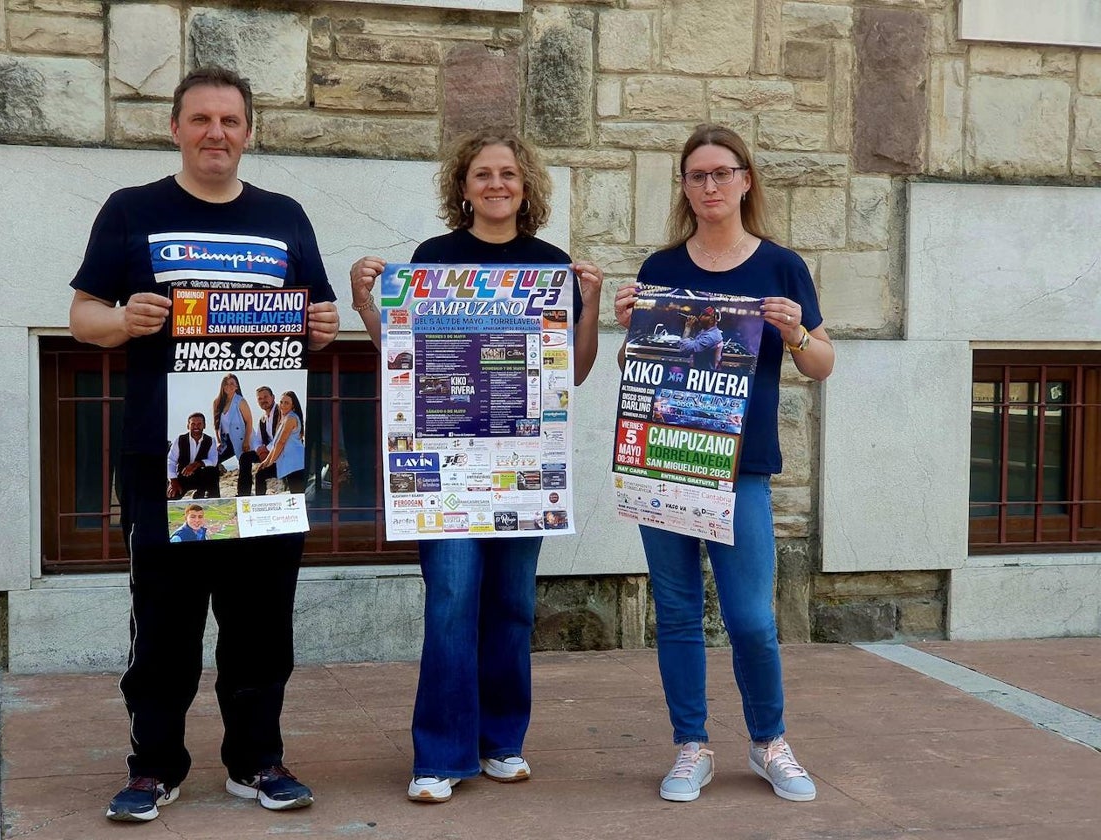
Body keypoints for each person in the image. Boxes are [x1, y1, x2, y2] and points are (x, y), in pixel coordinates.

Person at [67, 66, 339, 823]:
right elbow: (83, 314)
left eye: (229, 120)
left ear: (249, 131)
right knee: (163, 626)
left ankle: (258, 763)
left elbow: (318, 321)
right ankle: (154, 767)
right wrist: (124, 321)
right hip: (169, 468)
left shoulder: (285, 215)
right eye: (201, 120)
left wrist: (324, 328)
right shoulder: (132, 211)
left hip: (261, 471)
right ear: (176, 129)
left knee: (260, 625)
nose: (215, 133)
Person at [349, 128, 603, 803]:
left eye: (509, 174)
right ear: (462, 187)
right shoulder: (434, 259)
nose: (496, 184)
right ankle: (439, 754)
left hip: (524, 470)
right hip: (447, 471)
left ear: (527, 188)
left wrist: (593, 301)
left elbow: (574, 372)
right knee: (454, 601)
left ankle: (501, 742)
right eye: (483, 174)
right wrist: (365, 305)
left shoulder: (551, 264)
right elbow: (401, 358)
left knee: (513, 606)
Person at [614, 124, 835, 804]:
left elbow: (821, 363)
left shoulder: (780, 267)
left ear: (745, 180)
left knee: (750, 619)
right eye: (696, 175)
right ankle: (692, 745)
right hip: (666, 460)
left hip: (741, 470)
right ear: (684, 187)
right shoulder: (660, 269)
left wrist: (795, 331)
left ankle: (770, 742)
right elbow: (636, 372)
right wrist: (631, 334)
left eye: (721, 172)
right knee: (677, 614)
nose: (709, 185)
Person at [256, 390, 306, 493]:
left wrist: (270, 462)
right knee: (260, 474)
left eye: (286, 403)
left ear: (293, 405)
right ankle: (259, 504)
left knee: (297, 496)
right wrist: (266, 461)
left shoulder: (291, 418)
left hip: (295, 463)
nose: (283, 405)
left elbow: (281, 443)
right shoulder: (284, 419)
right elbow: (275, 444)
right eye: (281, 402)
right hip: (286, 462)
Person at [237, 386, 282, 496]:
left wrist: (266, 449)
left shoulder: (282, 413)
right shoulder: (262, 419)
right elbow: (257, 440)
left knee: (260, 474)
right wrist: (259, 450)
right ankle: (243, 494)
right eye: (260, 399)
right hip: (267, 453)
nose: (263, 400)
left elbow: (281, 438)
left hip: (282, 452)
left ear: (273, 397)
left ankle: (259, 500)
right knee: (245, 457)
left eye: (265, 397)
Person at [167, 412, 220, 499]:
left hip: (201, 477)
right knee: (170, 497)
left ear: (204, 425)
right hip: (183, 476)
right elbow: (171, 461)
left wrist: (195, 464)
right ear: (188, 426)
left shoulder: (210, 440)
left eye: (199, 424)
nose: (196, 427)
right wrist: (173, 481)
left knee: (213, 470)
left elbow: (213, 461)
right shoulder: (180, 440)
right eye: (193, 424)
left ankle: (212, 498)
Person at [213, 373, 254, 466]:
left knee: (244, 463)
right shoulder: (217, 402)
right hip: (225, 440)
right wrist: (219, 441)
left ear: (236, 386)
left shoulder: (240, 401)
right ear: (222, 386)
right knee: (213, 461)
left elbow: (249, 422)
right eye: (226, 384)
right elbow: (216, 425)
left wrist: (246, 440)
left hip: (241, 437)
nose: (229, 386)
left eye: (232, 383)